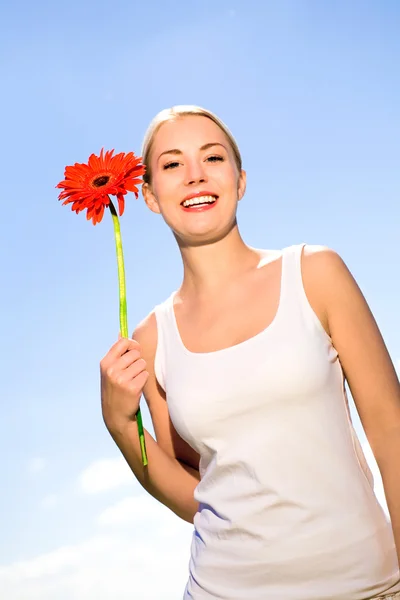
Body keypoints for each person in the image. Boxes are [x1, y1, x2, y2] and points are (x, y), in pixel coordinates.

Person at [100, 105, 400, 599]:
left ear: (240, 180)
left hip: (366, 585)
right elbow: (199, 495)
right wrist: (118, 426)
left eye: (212, 158)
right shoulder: (151, 340)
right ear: (150, 195)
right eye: (173, 164)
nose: (195, 175)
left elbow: (391, 436)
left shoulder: (315, 274)